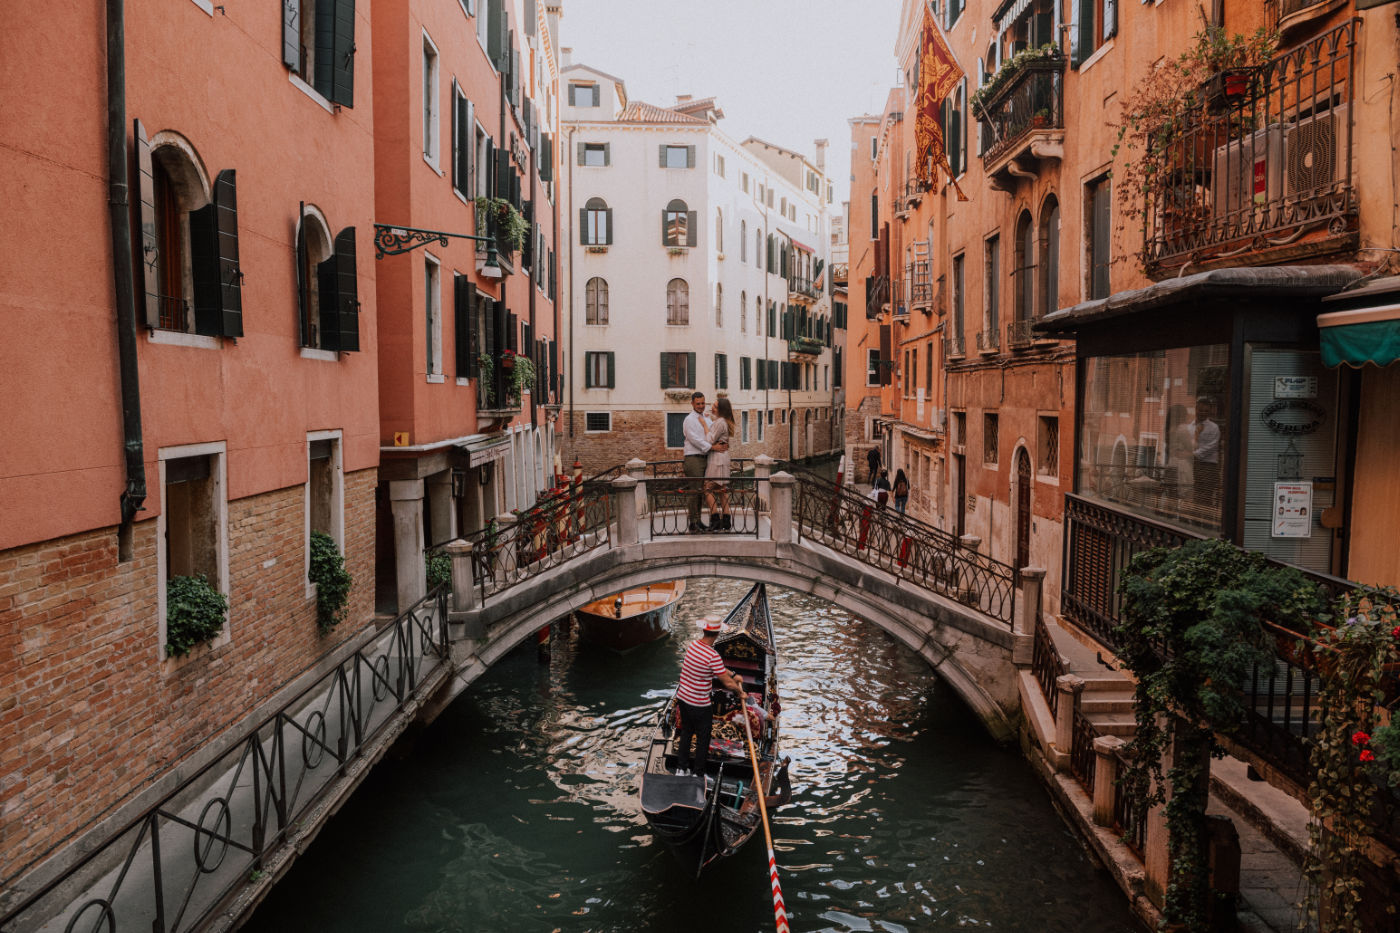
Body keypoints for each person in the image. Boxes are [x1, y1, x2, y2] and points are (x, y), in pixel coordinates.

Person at [674, 616, 746, 778]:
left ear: (704, 630)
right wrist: (741, 693)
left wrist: (734, 674)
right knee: (703, 738)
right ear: (717, 634)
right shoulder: (712, 655)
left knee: (686, 732)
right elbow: (727, 684)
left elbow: (719, 669)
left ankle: (681, 769)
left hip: (683, 699)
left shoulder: (693, 646)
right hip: (699, 704)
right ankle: (698, 774)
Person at [682, 392, 725, 532]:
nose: (701, 406)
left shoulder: (706, 419)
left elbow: (712, 433)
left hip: (705, 458)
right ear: (692, 404)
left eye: (703, 403)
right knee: (694, 491)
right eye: (698, 404)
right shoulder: (689, 420)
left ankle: (698, 521)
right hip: (693, 458)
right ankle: (693, 523)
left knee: (701, 491)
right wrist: (713, 447)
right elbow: (695, 440)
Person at [704, 397, 736, 531]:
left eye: (715, 407)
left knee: (707, 488)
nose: (712, 408)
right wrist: (709, 420)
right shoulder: (723, 421)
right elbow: (717, 431)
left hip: (717, 459)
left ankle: (715, 519)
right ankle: (727, 521)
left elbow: (710, 438)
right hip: (723, 458)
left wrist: (704, 424)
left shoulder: (720, 422)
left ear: (721, 409)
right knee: (722, 491)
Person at [1190, 396, 1221, 512]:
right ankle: (1193, 518)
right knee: (1194, 494)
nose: (1203, 413)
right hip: (1193, 465)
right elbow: (1187, 443)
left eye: (1206, 411)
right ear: (1196, 409)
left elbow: (1212, 446)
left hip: (1208, 466)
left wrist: (1193, 455)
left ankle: (1205, 521)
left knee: (1206, 497)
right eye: (1200, 410)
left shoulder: (1214, 428)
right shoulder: (1190, 426)